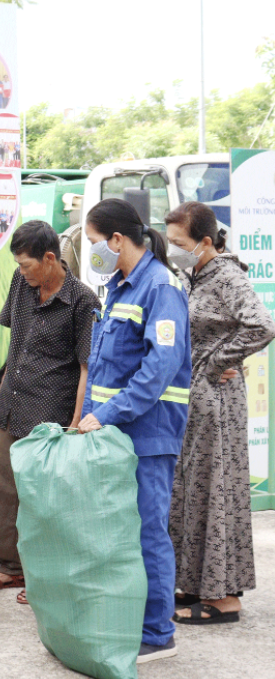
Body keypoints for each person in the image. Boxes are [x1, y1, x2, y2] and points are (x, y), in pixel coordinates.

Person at [77, 198, 191, 664]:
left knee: (148, 533)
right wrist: (85, 416)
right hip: (116, 432)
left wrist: (105, 415)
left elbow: (158, 369)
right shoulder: (119, 288)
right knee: (119, 534)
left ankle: (158, 633)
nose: (92, 253)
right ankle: (131, 618)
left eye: (93, 243)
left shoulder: (161, 288)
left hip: (149, 433)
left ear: (117, 239)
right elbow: (105, 366)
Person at [0, 221, 100, 602]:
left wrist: (76, 423)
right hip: (11, 404)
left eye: (28, 265)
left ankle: (43, 576)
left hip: (51, 414)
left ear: (50, 258)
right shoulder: (21, 283)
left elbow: (86, 366)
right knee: (5, 489)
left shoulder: (83, 300)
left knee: (45, 500)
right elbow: (16, 342)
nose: (23, 272)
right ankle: (11, 568)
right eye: (19, 266)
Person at [166, 202, 275, 625]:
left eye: (179, 244)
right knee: (194, 490)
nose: (173, 250)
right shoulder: (191, 275)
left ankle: (225, 597)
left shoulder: (228, 275)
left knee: (217, 490)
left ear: (205, 242)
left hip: (217, 398)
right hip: (194, 397)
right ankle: (197, 585)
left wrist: (215, 360)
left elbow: (262, 325)